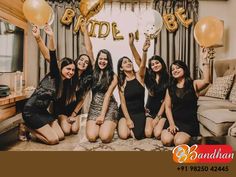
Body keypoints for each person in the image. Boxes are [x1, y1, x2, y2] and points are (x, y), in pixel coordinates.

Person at [32, 24, 93, 135]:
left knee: (74, 130)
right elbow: (49, 57)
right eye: (81, 59)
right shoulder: (67, 70)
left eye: (86, 62)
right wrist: (38, 38)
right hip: (61, 109)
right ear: (77, 60)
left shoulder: (87, 80)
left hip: (74, 111)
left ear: (88, 66)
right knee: (66, 131)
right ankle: (57, 121)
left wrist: (74, 114)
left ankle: (62, 123)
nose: (83, 62)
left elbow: (82, 99)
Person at [22, 25, 78, 145]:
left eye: (73, 70)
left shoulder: (66, 84)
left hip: (43, 112)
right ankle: (26, 127)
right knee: (53, 140)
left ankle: (36, 128)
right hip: (31, 111)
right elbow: (51, 55)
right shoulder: (54, 74)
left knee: (61, 136)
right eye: (68, 69)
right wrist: (51, 37)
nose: (71, 72)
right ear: (60, 68)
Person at [161, 48, 210, 146]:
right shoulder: (170, 88)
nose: (175, 70)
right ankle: (176, 134)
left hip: (188, 122)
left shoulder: (194, 84)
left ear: (184, 68)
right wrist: (171, 124)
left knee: (179, 142)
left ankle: (186, 137)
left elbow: (206, 81)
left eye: (178, 68)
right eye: (173, 70)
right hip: (173, 120)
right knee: (166, 141)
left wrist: (205, 60)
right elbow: (168, 107)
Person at [84, 24, 118, 143]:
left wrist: (103, 115)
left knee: (105, 137)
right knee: (92, 137)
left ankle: (112, 123)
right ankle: (102, 125)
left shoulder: (113, 76)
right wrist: (85, 29)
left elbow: (108, 95)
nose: (102, 61)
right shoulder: (93, 69)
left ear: (108, 61)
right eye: (100, 58)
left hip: (109, 107)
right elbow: (89, 49)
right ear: (97, 59)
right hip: (94, 107)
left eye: (105, 59)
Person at [129, 33, 168, 139]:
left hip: (163, 111)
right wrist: (133, 46)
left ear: (162, 63)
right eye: (152, 64)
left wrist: (159, 117)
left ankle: (164, 126)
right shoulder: (148, 77)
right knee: (148, 133)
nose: (155, 65)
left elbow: (166, 100)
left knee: (157, 134)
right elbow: (139, 61)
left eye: (157, 63)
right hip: (150, 111)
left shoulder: (168, 78)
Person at [117, 37, 150, 140]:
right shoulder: (121, 82)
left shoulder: (139, 76)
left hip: (139, 112)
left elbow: (143, 65)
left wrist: (144, 51)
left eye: (129, 61)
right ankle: (121, 124)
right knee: (123, 135)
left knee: (139, 136)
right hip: (126, 112)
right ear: (121, 68)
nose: (128, 63)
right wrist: (128, 119)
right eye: (125, 62)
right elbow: (122, 103)